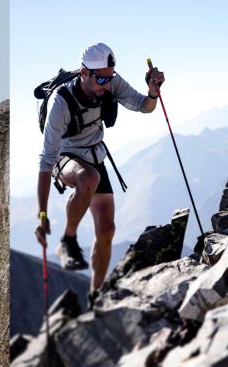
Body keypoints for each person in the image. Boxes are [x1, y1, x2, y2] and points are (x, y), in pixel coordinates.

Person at [34, 42, 165, 304]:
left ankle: (95, 294)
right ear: (84, 73)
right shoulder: (60, 104)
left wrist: (152, 93)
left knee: (107, 230)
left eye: (110, 77)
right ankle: (67, 240)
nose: (107, 84)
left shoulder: (109, 81)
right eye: (101, 78)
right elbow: (46, 161)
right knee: (88, 178)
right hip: (65, 157)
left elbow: (144, 106)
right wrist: (42, 214)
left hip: (94, 156)